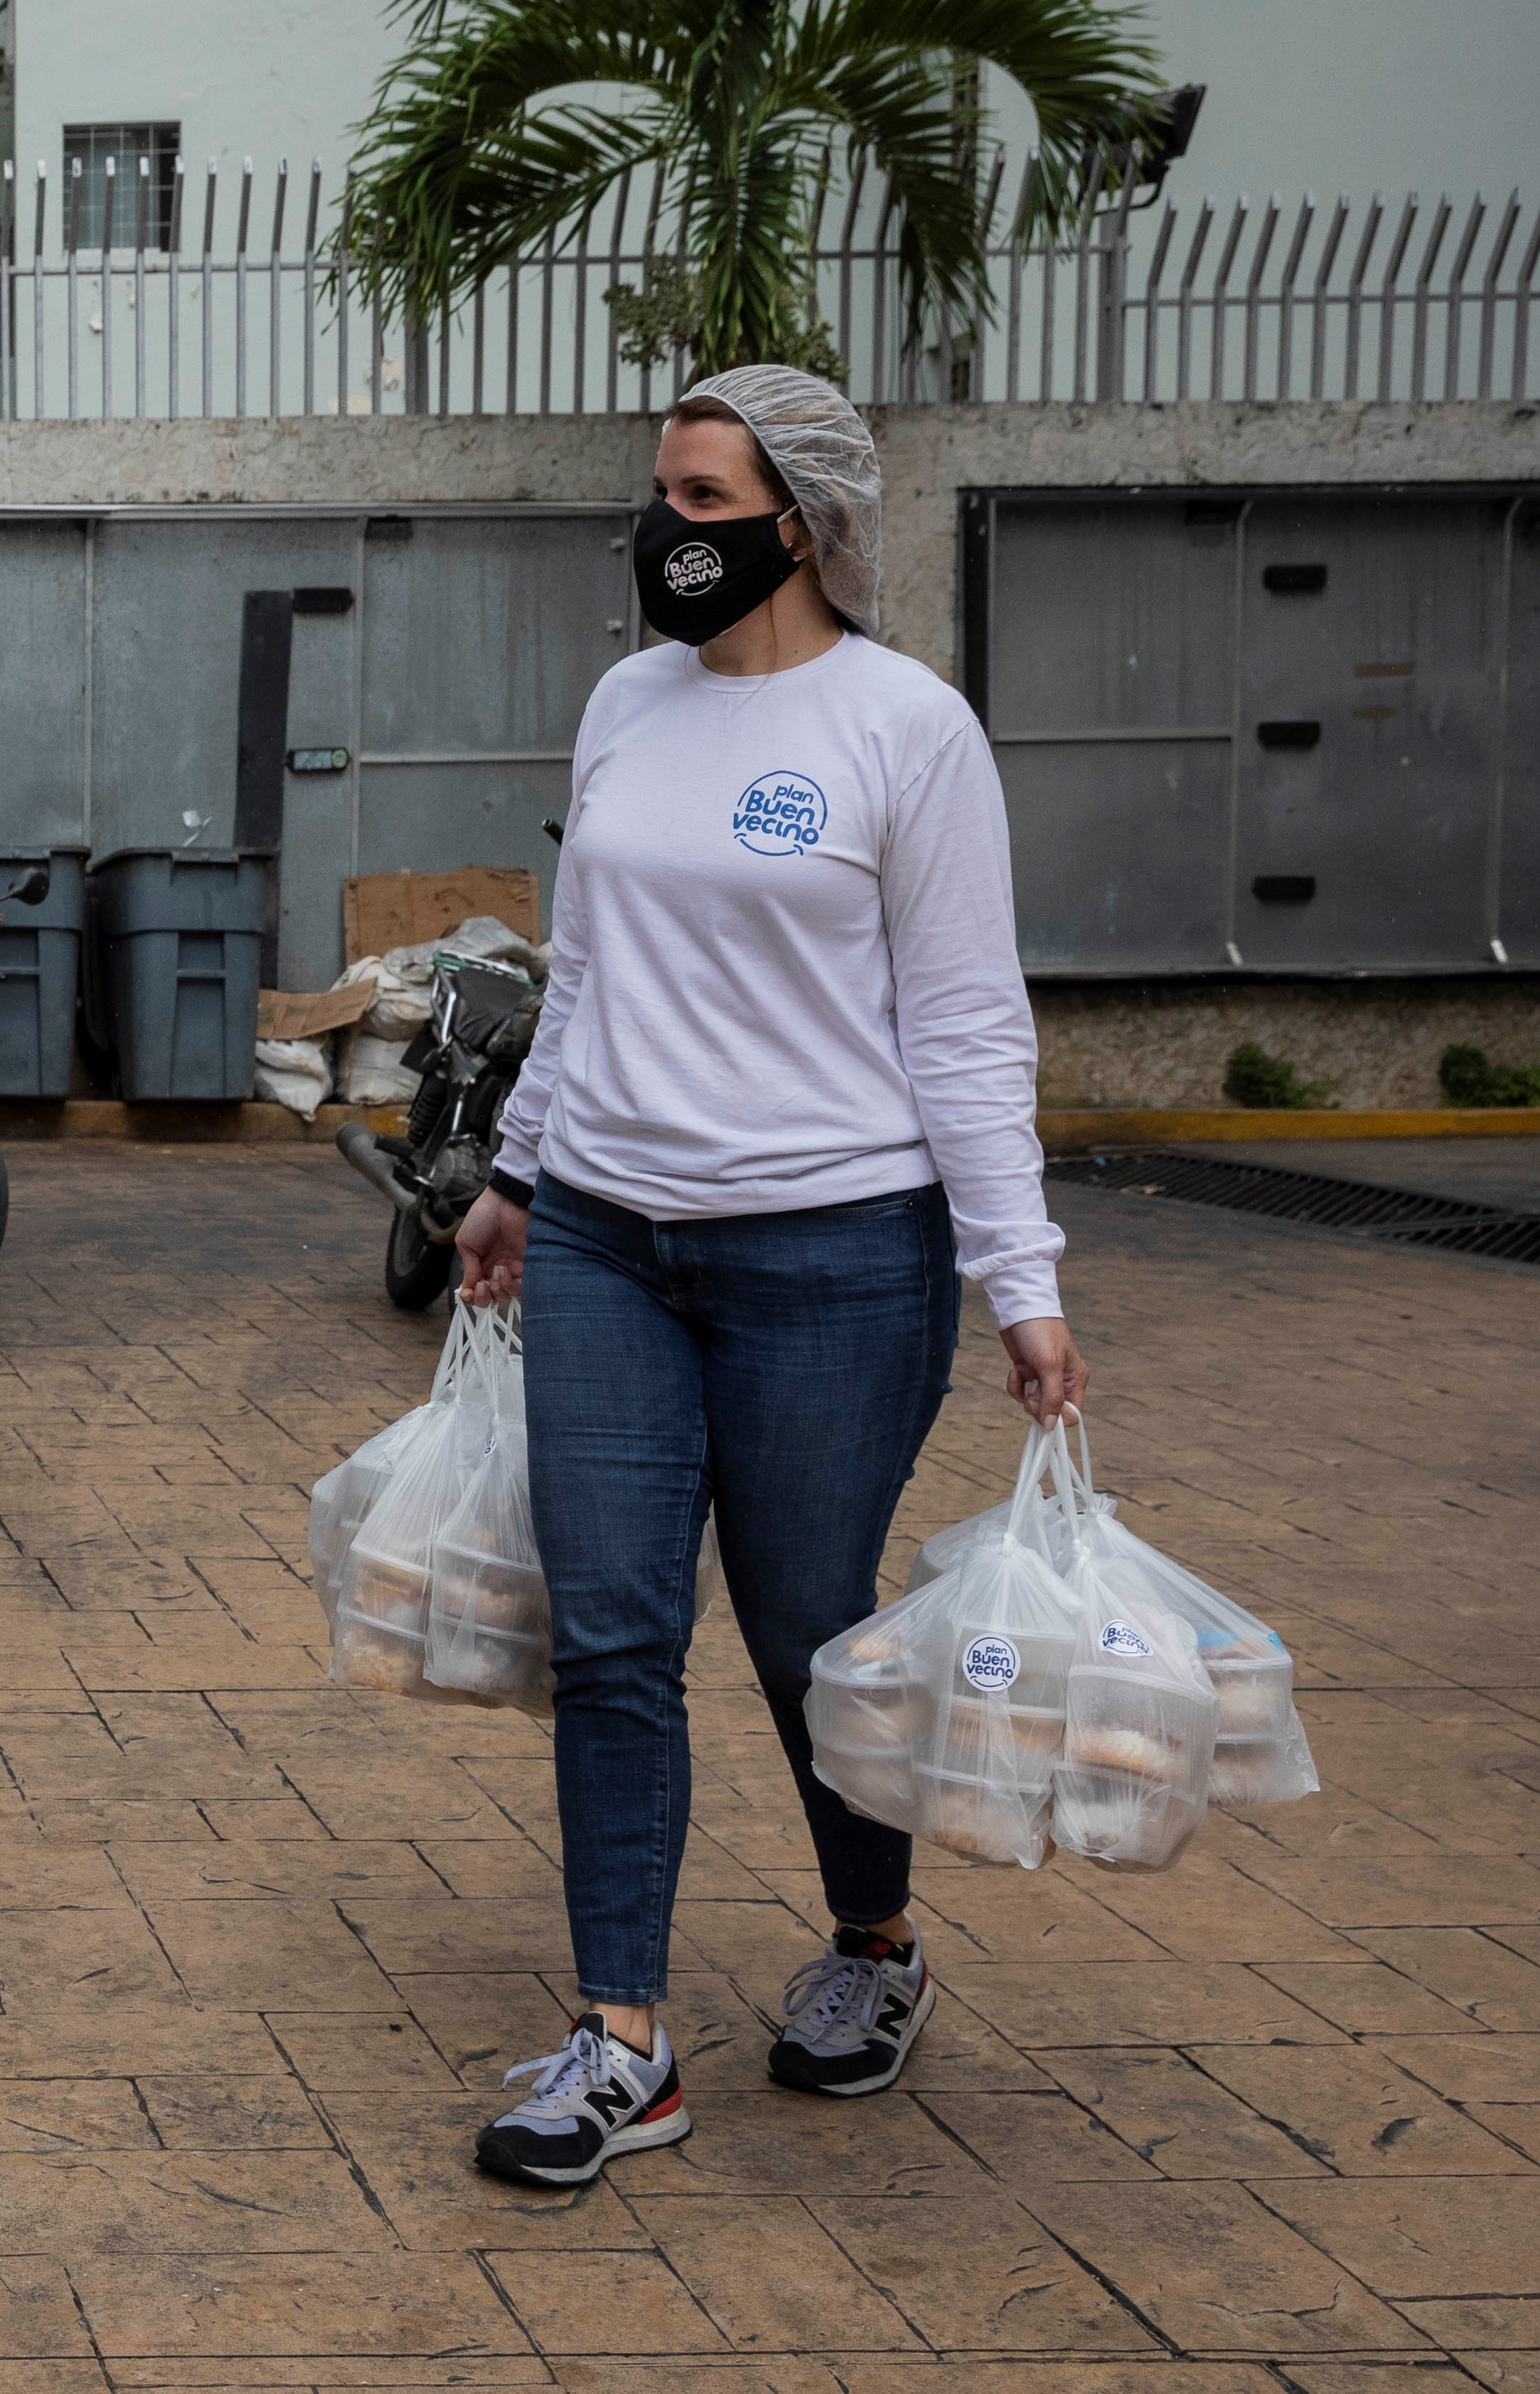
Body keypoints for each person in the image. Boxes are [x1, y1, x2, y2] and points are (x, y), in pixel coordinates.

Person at [446, 365, 1087, 2188]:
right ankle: (622, 2040)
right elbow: (584, 975)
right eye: (661, 492)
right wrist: (513, 1173)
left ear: (802, 522)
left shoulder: (906, 730)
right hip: (602, 1238)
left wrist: (1017, 1279)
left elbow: (967, 1026)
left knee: (808, 1635)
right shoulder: (625, 704)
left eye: (707, 501)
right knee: (612, 1633)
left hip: (835, 1254)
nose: (669, 531)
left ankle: (874, 1948)